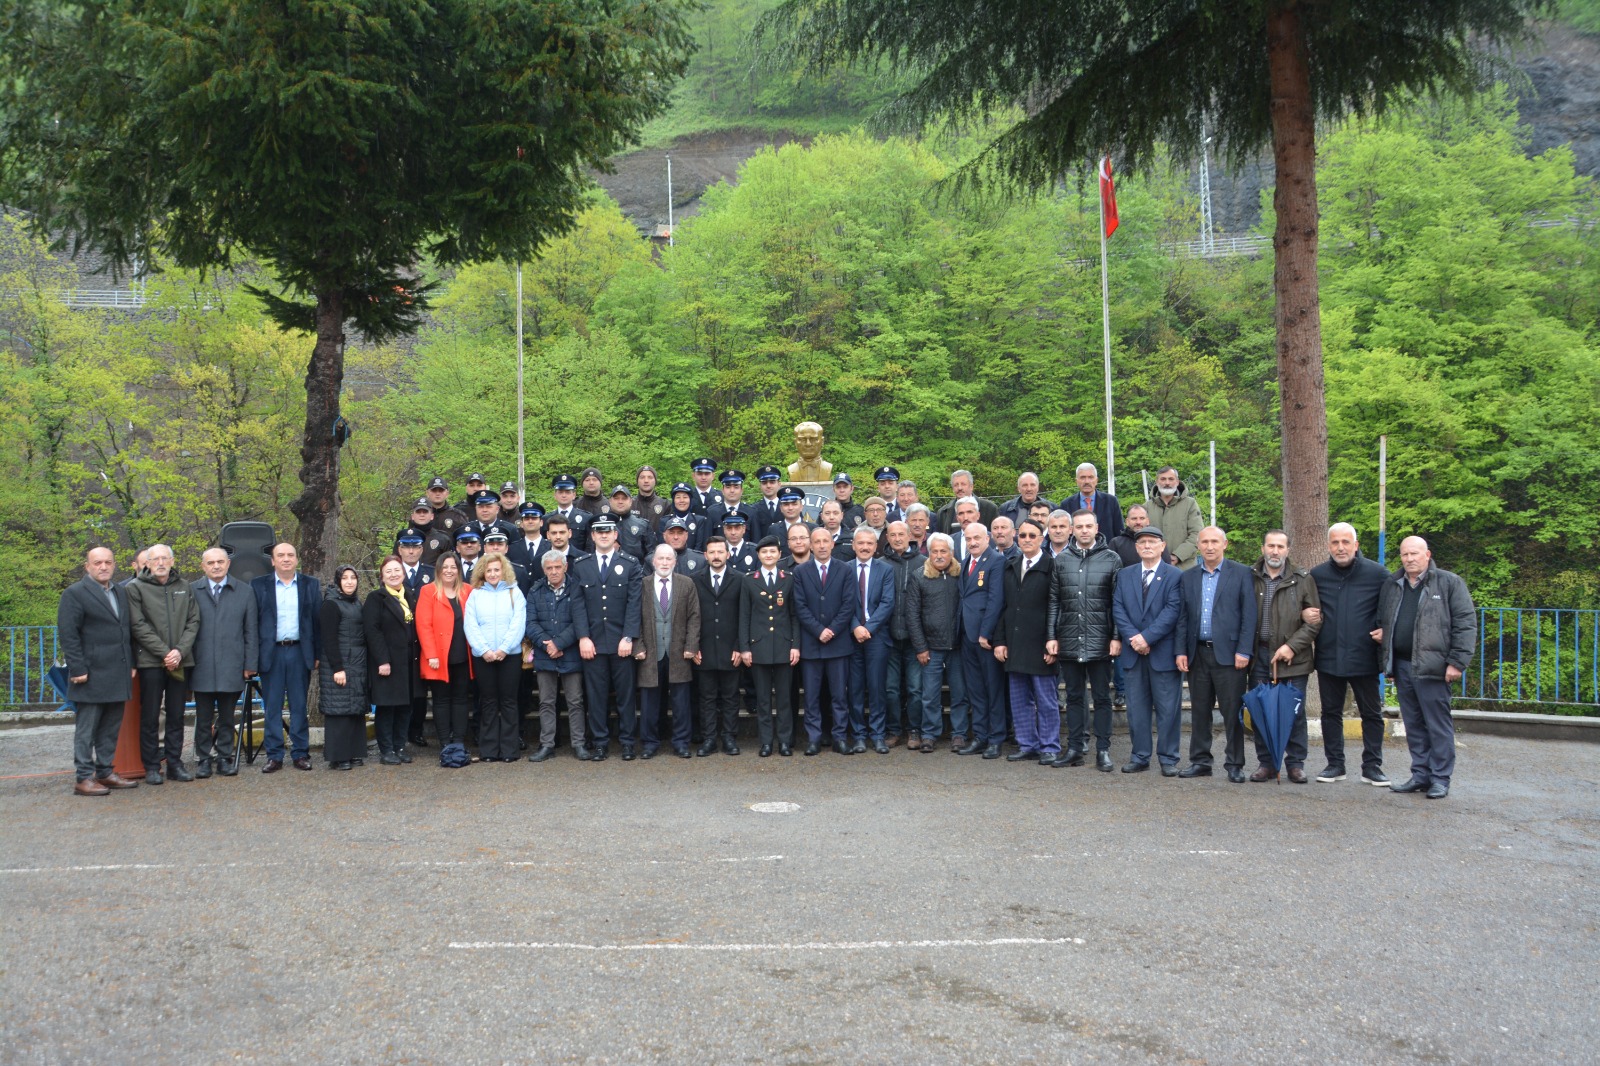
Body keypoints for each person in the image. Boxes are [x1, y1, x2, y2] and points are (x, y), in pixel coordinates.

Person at [1378, 537, 1475, 799]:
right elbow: (1387, 618)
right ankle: (1421, 774)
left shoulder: (1449, 582)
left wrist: (1457, 661)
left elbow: (1465, 623)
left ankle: (1440, 778)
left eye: (1414, 553)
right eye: (1404, 554)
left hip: (1434, 667)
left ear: (1427, 554)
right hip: (1402, 665)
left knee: (1437, 724)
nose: (1409, 558)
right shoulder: (1394, 584)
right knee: (1414, 724)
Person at [1308, 523, 1392, 785]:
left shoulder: (1378, 574)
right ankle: (1335, 765)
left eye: (1346, 542)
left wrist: (1386, 629)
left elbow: (1393, 608)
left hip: (1364, 656)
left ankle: (1372, 767)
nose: (1340, 547)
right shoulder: (1317, 575)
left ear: (1356, 545)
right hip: (1329, 655)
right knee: (1330, 713)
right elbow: (1305, 604)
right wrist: (1304, 613)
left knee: (1372, 714)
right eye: (1335, 543)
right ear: (1328, 546)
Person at [1174, 527, 1256, 783]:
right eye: (1205, 542)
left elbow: (1248, 615)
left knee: (1232, 712)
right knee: (1199, 711)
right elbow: (1182, 617)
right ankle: (1200, 761)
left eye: (1214, 542)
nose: (1210, 546)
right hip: (1198, 653)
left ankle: (1234, 763)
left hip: (1231, 656)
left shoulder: (1242, 573)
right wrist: (1181, 651)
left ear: (1225, 544)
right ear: (1198, 546)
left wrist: (1244, 650)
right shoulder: (1187, 577)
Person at [59, 547, 139, 796]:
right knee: (87, 729)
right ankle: (83, 778)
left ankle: (105, 772)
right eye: (97, 563)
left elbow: (127, 630)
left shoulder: (120, 591)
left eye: (108, 562)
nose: (103, 566)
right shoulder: (74, 593)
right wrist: (78, 668)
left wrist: (132, 662)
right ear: (87, 566)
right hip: (90, 673)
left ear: (114, 565)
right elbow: (68, 634)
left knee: (110, 726)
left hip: (118, 670)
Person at [1046, 509, 1122, 771]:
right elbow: (1054, 600)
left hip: (1100, 640)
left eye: (1088, 525)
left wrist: (1116, 636)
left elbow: (1117, 603)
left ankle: (1103, 750)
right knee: (1075, 697)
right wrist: (1051, 635)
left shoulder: (1112, 559)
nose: (1084, 530)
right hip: (1068, 638)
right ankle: (1075, 747)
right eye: (1079, 526)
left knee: (1102, 697)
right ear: (1071, 529)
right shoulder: (1061, 560)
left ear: (1096, 526)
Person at [1247, 530, 1321, 783]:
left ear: (1288, 550)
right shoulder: (1251, 577)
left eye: (1280, 546)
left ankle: (1295, 763)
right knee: (1261, 710)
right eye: (1270, 546)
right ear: (1263, 548)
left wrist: (1292, 646)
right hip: (1259, 655)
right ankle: (1266, 762)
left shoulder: (1302, 579)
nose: (1275, 551)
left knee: (1294, 712)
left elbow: (1314, 621)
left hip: (1292, 657)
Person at [126, 543, 201, 783]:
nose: (160, 563)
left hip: (180, 661)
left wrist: (179, 651)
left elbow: (194, 621)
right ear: (146, 563)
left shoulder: (184, 587)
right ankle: (150, 765)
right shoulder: (135, 588)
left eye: (164, 558)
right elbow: (138, 625)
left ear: (172, 561)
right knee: (150, 715)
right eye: (155, 559)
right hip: (151, 662)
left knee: (177, 714)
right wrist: (164, 653)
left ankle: (175, 763)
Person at [1112, 527, 1185, 775]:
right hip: (1133, 653)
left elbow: (1172, 611)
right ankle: (1140, 756)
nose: (1146, 546)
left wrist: (1147, 638)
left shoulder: (1174, 575)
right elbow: (1118, 608)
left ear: (1162, 546)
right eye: (1141, 542)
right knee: (1137, 709)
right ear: (1136, 547)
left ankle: (1168, 758)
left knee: (1168, 709)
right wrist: (1134, 638)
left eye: (1152, 542)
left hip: (1162, 652)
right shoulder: (1125, 575)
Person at [571, 517, 644, 760]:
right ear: (592, 536)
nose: (603, 535)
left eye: (608, 531)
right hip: (592, 643)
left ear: (616, 535)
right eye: (599, 532)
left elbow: (635, 604)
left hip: (621, 643)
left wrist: (629, 637)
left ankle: (626, 743)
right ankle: (600, 742)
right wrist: (583, 637)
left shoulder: (631, 564)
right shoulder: (581, 565)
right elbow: (578, 605)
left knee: (625, 696)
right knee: (596, 697)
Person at [251, 543, 322, 773]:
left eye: (290, 555)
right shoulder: (258, 585)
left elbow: (317, 622)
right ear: (272, 561)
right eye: (280, 555)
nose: (285, 559)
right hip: (270, 652)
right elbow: (251, 625)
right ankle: (274, 755)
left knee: (299, 705)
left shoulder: (310, 585)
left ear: (297, 559)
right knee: (272, 706)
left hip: (300, 652)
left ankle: (300, 753)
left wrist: (317, 654)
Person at [190, 546, 258, 778]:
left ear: (228, 564)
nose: (216, 566)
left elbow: (251, 631)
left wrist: (250, 664)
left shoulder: (245, 592)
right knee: (203, 717)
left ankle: (225, 757)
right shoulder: (192, 591)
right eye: (211, 563)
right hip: (201, 664)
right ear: (203, 566)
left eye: (220, 562)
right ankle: (203, 759)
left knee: (228, 717)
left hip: (233, 664)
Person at [995, 519, 1058, 763]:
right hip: (1015, 643)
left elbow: (1057, 606)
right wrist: (1000, 640)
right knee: (1019, 700)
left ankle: (1050, 746)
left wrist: (1053, 640)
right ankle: (1027, 744)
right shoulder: (1010, 566)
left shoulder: (1052, 566)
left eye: (1033, 535)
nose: (1027, 539)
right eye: (1023, 535)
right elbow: (1005, 607)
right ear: (1017, 538)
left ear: (1042, 539)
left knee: (1046, 701)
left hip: (1042, 645)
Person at [794, 525, 858, 755]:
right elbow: (800, 606)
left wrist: (831, 629)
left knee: (839, 696)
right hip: (811, 644)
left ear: (833, 544)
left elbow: (849, 604)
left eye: (825, 541)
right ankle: (814, 738)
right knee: (811, 697)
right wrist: (818, 630)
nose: (821, 545)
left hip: (838, 644)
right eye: (817, 542)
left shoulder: (845, 570)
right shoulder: (801, 572)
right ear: (811, 545)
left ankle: (839, 737)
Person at [634, 544, 701, 759]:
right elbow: (634, 618)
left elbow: (694, 617)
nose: (664, 563)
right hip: (650, 653)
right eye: (660, 559)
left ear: (675, 562)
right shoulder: (641, 585)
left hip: (679, 652)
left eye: (668, 559)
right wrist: (638, 646)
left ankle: (681, 742)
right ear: (653, 562)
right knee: (649, 702)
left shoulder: (686, 584)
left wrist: (691, 646)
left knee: (681, 702)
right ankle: (650, 743)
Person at [740, 536, 800, 757]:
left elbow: (794, 616)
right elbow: (744, 616)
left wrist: (796, 645)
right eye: (764, 552)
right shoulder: (749, 580)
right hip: (759, 647)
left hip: (784, 647)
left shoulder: (789, 578)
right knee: (763, 699)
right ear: (758, 555)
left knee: (784, 699)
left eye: (772, 552)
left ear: (778, 555)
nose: (768, 555)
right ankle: (766, 742)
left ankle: (784, 741)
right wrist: (745, 647)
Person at [524, 552, 587, 761]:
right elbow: (530, 623)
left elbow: (579, 621)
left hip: (570, 652)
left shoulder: (577, 588)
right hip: (545, 655)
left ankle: (578, 744)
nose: (553, 572)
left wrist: (559, 643)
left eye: (557, 567)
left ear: (565, 567)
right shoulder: (535, 590)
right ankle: (547, 744)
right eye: (549, 568)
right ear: (544, 569)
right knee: (546, 702)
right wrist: (548, 645)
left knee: (575, 701)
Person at [463, 555, 527, 762]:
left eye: (496, 570)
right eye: (489, 570)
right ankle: (489, 750)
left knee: (509, 702)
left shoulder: (514, 593)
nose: (492, 574)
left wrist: (504, 649)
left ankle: (509, 750)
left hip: (510, 656)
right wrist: (484, 650)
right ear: (482, 572)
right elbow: (470, 625)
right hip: (484, 657)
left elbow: (518, 623)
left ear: (504, 571)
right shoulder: (475, 595)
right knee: (488, 702)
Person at [905, 533, 962, 753]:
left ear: (951, 553)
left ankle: (958, 734)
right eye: (935, 551)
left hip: (958, 647)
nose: (939, 555)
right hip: (930, 648)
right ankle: (929, 734)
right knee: (929, 695)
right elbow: (912, 615)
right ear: (929, 553)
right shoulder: (919, 576)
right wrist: (920, 647)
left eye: (943, 551)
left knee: (959, 693)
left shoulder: (961, 574)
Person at [956, 523, 1008, 759]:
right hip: (966, 635)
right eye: (968, 538)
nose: (973, 542)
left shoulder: (996, 561)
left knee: (993, 689)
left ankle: (996, 739)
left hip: (985, 637)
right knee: (975, 690)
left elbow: (996, 600)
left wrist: (986, 633)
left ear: (987, 538)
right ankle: (980, 736)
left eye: (977, 537)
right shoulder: (967, 562)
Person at [417, 553, 474, 753]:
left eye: (453, 567)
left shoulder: (468, 591)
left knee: (460, 699)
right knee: (441, 701)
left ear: (459, 570)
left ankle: (458, 740)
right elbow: (423, 625)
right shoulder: (428, 591)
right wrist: (431, 654)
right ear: (439, 570)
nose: (449, 570)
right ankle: (444, 741)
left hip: (463, 655)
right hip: (438, 657)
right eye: (445, 567)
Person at [846, 526, 896, 753]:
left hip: (876, 638)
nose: (865, 547)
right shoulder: (844, 569)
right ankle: (858, 735)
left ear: (875, 546)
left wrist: (868, 628)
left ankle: (877, 735)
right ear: (853, 545)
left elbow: (888, 603)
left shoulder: (885, 570)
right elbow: (842, 603)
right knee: (855, 688)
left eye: (869, 543)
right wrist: (856, 626)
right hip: (851, 638)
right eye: (861, 543)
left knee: (877, 688)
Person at [364, 555, 418, 765]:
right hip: (387, 663)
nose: (394, 575)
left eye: (397, 570)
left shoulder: (410, 595)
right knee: (387, 708)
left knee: (405, 706)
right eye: (389, 571)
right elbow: (372, 631)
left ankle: (400, 746)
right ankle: (386, 749)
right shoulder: (375, 598)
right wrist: (382, 661)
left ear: (403, 573)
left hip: (408, 662)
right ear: (382, 576)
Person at [694, 536, 744, 756]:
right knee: (706, 697)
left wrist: (740, 646)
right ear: (705, 555)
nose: (716, 556)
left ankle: (730, 738)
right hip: (703, 650)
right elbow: (690, 617)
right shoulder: (694, 580)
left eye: (720, 552)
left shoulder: (741, 579)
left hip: (730, 649)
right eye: (712, 552)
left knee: (731, 697)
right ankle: (709, 739)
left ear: (728, 554)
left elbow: (744, 616)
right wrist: (693, 646)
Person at [319, 566, 370, 770]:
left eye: (353, 578)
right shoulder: (330, 605)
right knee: (338, 710)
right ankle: (338, 756)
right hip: (340, 663)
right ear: (338, 581)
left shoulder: (357, 602)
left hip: (357, 662)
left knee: (355, 709)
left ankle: (355, 751)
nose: (350, 582)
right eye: (345, 578)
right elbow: (329, 639)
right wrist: (337, 668)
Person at [880, 521, 922, 747]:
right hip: (888, 638)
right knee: (891, 688)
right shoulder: (880, 563)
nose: (897, 539)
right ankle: (894, 730)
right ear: (887, 537)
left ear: (909, 536)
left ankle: (914, 730)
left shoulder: (923, 563)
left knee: (915, 688)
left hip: (915, 639)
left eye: (901, 534)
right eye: (892, 535)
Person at [1146, 467, 1203, 570]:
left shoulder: (1190, 504)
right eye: (1163, 479)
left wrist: (1178, 555)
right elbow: (1142, 537)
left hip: (1185, 568)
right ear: (1157, 482)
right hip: (1154, 568)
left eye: (1171, 479)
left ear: (1177, 482)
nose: (1167, 482)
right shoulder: (1147, 507)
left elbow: (1197, 534)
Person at [1060, 462, 1124, 541]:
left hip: (1106, 551)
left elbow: (1119, 532)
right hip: (1076, 551)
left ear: (1096, 480)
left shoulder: (1111, 501)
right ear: (1076, 481)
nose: (1087, 481)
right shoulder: (1066, 504)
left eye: (1090, 477)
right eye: (1083, 477)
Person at [606, 485, 655, 561]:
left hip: (636, 571)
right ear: (610, 501)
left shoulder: (643, 525)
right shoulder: (600, 525)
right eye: (616, 498)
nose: (620, 502)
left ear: (631, 501)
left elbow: (651, 555)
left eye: (624, 498)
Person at [549, 474, 593, 552]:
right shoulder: (547, 518)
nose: (564, 495)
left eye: (567, 492)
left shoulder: (586, 518)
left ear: (574, 495)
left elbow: (590, 545)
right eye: (560, 492)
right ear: (555, 495)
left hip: (578, 561)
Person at [507, 502, 550, 577]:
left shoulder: (550, 547)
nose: (530, 521)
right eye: (526, 519)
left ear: (541, 522)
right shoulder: (512, 549)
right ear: (521, 524)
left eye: (534, 518)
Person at [751, 465, 785, 538]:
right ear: (760, 486)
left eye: (772, 482)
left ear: (779, 484)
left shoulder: (788, 507)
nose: (768, 486)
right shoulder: (753, 509)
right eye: (764, 483)